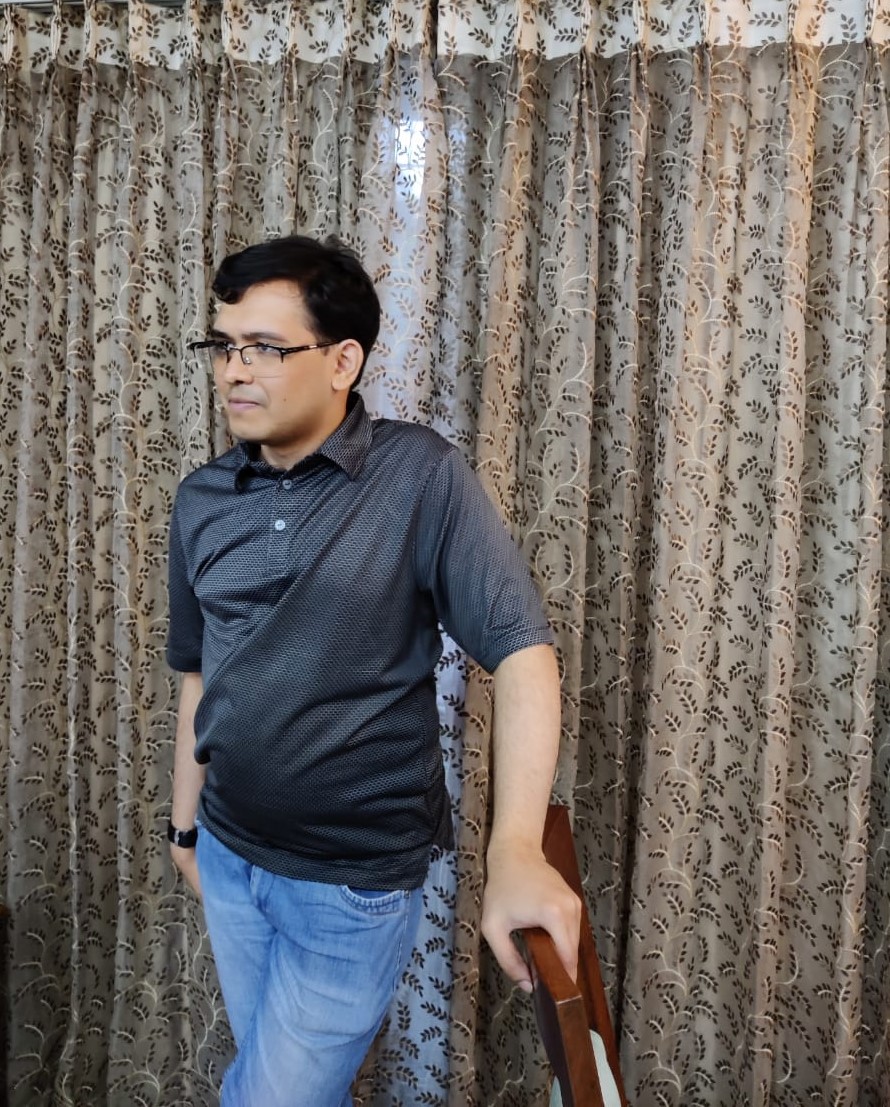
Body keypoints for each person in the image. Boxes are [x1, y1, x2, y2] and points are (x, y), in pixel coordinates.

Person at [166, 234, 581, 1107]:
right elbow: (198, 670)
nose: (234, 370)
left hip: (349, 886)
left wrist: (512, 847)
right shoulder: (202, 498)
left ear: (342, 360)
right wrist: (185, 828)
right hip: (231, 857)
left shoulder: (417, 475)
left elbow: (522, 648)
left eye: (264, 348)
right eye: (224, 346)